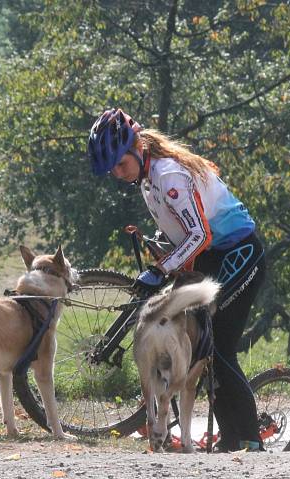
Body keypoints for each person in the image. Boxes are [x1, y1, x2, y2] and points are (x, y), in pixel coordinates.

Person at [87, 108, 267, 452]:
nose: (116, 173)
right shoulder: (147, 178)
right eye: (111, 169)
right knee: (203, 347)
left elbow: (198, 235)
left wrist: (159, 270)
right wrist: (159, 247)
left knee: (219, 346)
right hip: (212, 257)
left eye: (119, 164)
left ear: (137, 147)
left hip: (240, 254)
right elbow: (182, 230)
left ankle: (250, 438)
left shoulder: (169, 175)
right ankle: (230, 440)